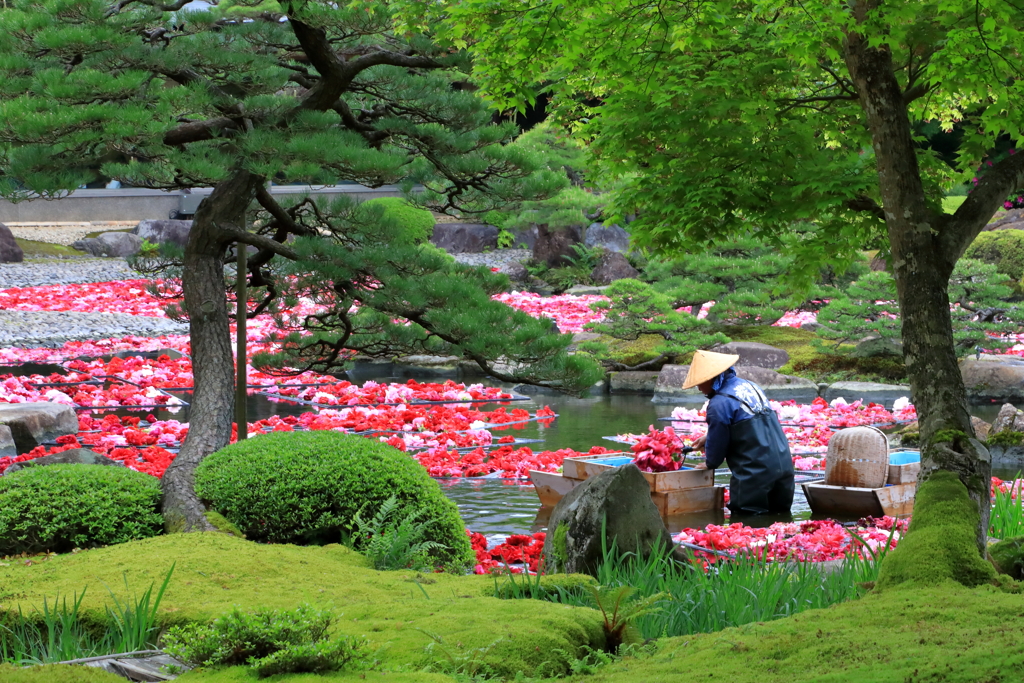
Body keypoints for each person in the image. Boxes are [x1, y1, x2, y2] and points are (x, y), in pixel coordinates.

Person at [684, 350, 795, 516]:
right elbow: (750, 423)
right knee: (781, 522)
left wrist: (710, 464)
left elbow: (719, 443)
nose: (699, 388)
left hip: (754, 473)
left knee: (747, 524)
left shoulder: (719, 402)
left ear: (711, 378)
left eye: (700, 383)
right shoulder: (750, 386)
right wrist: (708, 437)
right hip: (784, 466)